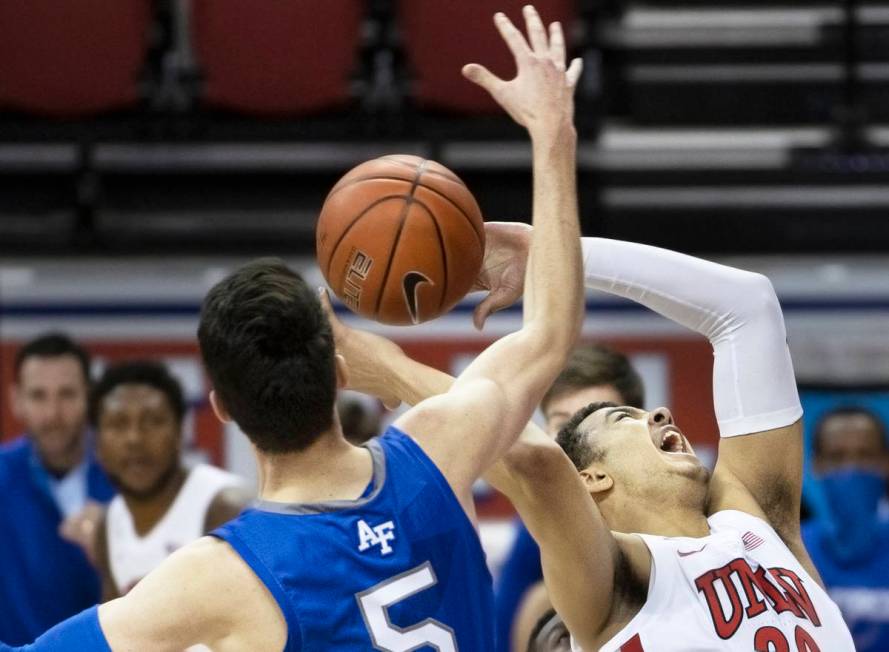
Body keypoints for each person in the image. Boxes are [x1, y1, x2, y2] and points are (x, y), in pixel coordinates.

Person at [1, 7, 585, 649]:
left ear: (220, 407)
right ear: (337, 374)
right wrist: (551, 132)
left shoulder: (216, 576)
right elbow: (548, 335)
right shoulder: (439, 452)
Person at [324, 232, 857, 650]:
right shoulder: (617, 577)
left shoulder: (759, 523)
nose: (663, 413)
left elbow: (749, 306)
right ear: (591, 478)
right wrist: (392, 369)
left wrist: (549, 253)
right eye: (626, 416)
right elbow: (532, 460)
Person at [496, 345, 645, 652]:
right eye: (563, 424)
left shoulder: (678, 508)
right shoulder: (534, 527)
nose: (575, 441)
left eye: (594, 423)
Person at [89, 360, 250, 600]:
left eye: (153, 421)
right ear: (98, 444)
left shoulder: (226, 507)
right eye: (119, 424)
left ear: (180, 434)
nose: (135, 438)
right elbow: (115, 633)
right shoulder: (109, 524)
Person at [0, 333, 115, 645]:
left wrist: (116, 545)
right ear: (16, 400)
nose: (53, 414)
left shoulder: (129, 480)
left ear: (89, 397)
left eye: (66, 394)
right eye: (39, 396)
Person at [802, 406, 889, 651]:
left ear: (885, 462)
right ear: (816, 465)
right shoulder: (788, 549)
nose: (851, 468)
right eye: (836, 457)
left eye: (864, 455)